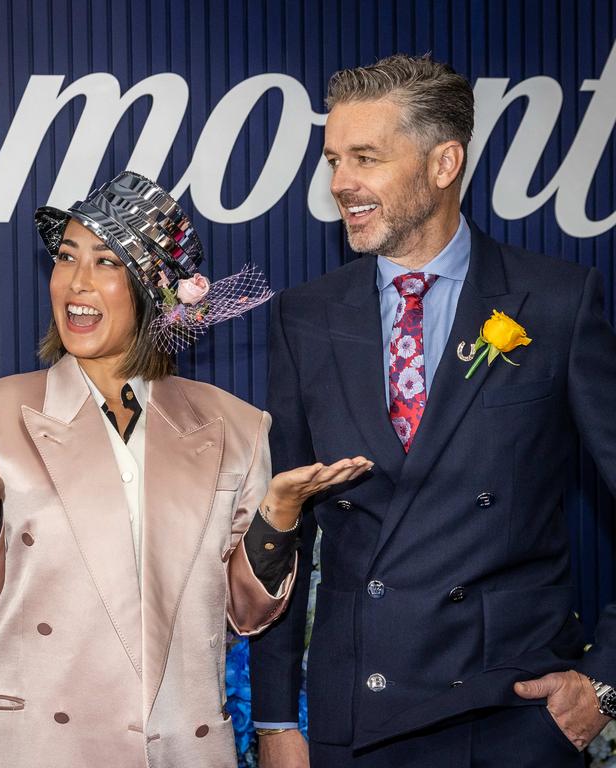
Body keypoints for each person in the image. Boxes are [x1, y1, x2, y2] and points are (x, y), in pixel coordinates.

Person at [0, 171, 371, 768]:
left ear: (154, 288)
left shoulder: (235, 427)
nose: (76, 283)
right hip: (39, 745)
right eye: (65, 257)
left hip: (183, 746)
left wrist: (279, 514)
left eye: (106, 262)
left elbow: (247, 612)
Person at [249, 54, 616, 767]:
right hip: (355, 714)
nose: (339, 184)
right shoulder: (304, 317)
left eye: (365, 158)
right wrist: (271, 719)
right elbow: (283, 522)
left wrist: (604, 682)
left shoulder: (559, 303)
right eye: (332, 160)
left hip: (511, 713)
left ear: (444, 163)